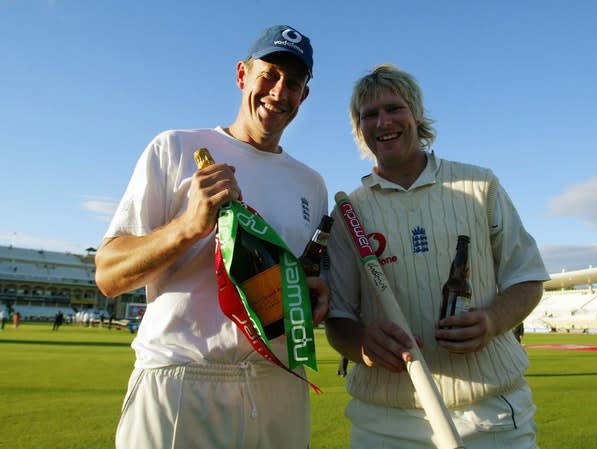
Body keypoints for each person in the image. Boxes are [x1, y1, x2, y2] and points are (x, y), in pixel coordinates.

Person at [95, 24, 328, 449]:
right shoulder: (175, 148)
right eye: (269, 75)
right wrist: (187, 227)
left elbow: (301, 278)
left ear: (304, 96)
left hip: (280, 381)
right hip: (183, 378)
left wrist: (312, 295)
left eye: (293, 83)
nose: (279, 92)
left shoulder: (311, 184)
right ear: (242, 74)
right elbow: (109, 275)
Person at [325, 64, 550, 449]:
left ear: (416, 114)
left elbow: (527, 279)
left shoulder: (481, 185)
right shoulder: (348, 213)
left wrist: (493, 320)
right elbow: (338, 319)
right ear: (359, 128)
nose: (383, 121)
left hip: (490, 413)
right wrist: (362, 343)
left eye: (394, 108)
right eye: (369, 115)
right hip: (385, 421)